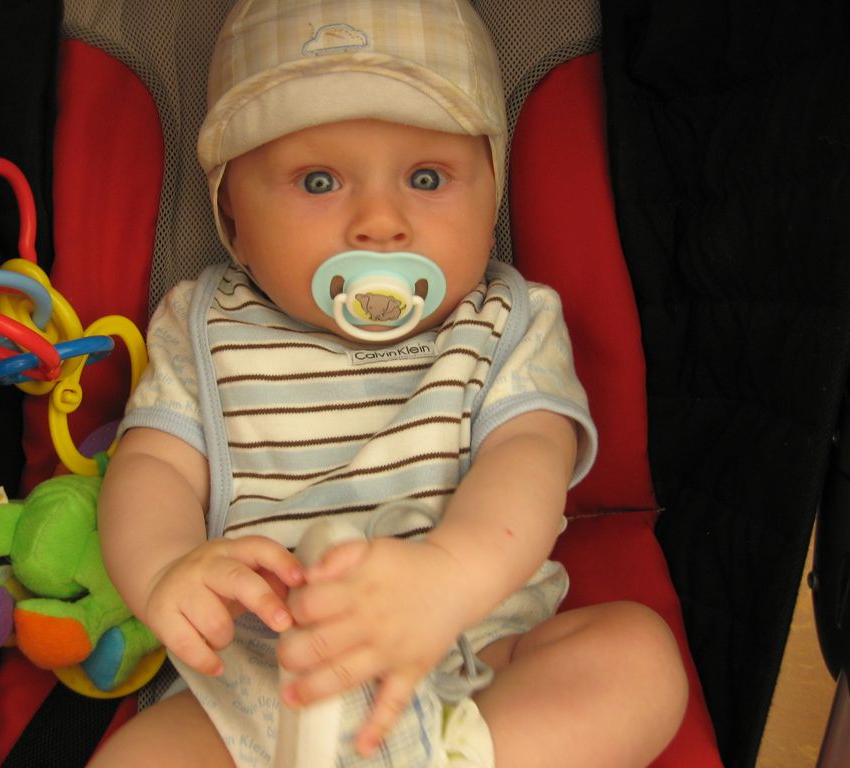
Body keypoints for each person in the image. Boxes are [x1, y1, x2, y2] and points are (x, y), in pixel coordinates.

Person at [91, 1, 689, 766]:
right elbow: (152, 466)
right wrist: (165, 569)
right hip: (267, 676)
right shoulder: (202, 325)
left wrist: (447, 578)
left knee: (638, 661)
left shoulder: (505, 321)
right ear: (232, 215)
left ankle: (466, 755)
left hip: (469, 648)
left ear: (491, 194)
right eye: (318, 181)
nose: (380, 222)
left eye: (427, 177)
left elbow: (530, 461)